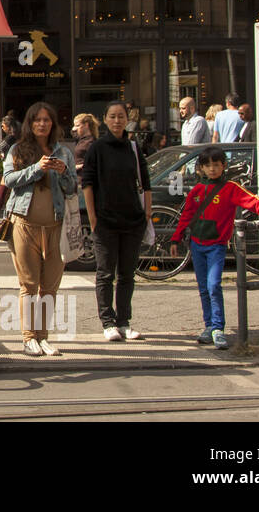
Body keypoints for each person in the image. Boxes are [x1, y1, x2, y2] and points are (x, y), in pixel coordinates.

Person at [172, 146, 259, 349]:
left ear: (223, 166)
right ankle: (209, 326)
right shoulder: (196, 191)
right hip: (197, 245)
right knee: (203, 288)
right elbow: (186, 216)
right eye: (208, 165)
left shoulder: (230, 188)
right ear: (201, 168)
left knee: (213, 285)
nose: (212, 169)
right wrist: (176, 239)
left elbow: (252, 200)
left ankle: (218, 327)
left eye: (216, 165)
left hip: (217, 246)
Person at [2, 102, 77, 357]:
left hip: (56, 225)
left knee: (50, 286)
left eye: (47, 120)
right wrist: (37, 168)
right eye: (37, 120)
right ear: (29, 124)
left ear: (53, 125)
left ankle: (43, 337)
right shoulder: (17, 149)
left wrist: (63, 172)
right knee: (29, 284)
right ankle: (28, 338)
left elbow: (72, 188)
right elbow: (9, 180)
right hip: (24, 224)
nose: (42, 124)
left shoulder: (63, 152)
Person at [82, 100, 151, 343]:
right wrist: (93, 219)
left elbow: (145, 181)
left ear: (126, 119)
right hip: (105, 221)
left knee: (127, 275)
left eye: (121, 116)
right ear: (105, 119)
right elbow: (87, 184)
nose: (117, 120)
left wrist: (147, 215)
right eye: (112, 116)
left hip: (132, 220)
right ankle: (107, 322)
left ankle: (124, 321)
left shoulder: (133, 147)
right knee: (104, 273)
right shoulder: (97, 148)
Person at [72, 113, 99, 178]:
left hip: (85, 180)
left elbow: (95, 163)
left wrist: (76, 167)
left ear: (86, 125)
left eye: (77, 125)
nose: (74, 129)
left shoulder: (91, 142)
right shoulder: (82, 140)